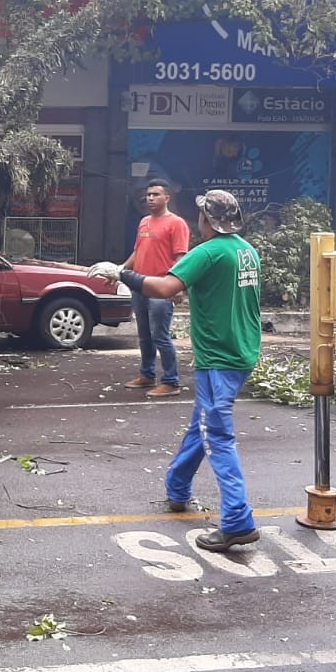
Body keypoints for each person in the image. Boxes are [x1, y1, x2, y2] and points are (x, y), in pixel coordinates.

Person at [91, 189, 262, 552]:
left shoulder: (209, 252)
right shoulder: (247, 251)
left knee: (217, 436)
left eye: (200, 213)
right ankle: (178, 487)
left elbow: (165, 287)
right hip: (242, 351)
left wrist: (122, 275)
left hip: (219, 357)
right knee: (201, 424)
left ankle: (237, 521)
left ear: (207, 220)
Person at [120, 179, 190, 398]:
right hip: (141, 286)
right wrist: (118, 271)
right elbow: (137, 253)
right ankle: (147, 375)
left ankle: (171, 381)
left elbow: (181, 257)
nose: (150, 198)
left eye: (155, 195)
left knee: (160, 335)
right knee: (144, 336)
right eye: (148, 195)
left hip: (162, 288)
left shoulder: (176, 223)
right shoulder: (143, 222)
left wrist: (177, 286)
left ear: (167, 197)